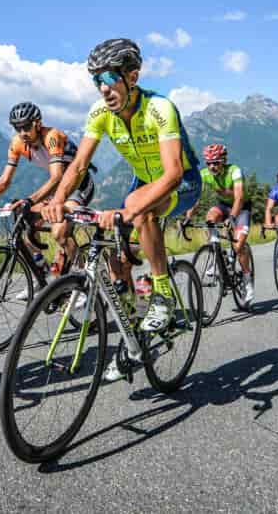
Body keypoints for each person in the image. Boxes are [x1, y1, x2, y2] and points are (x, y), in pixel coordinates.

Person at [42, 38, 201, 381]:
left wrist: (131, 211)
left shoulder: (159, 108)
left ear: (132, 76)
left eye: (109, 78)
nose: (103, 88)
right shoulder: (100, 114)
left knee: (136, 210)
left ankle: (162, 295)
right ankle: (132, 333)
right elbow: (79, 164)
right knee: (112, 246)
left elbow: (173, 172)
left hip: (182, 182)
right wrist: (57, 199)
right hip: (143, 181)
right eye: (96, 80)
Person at [0, 101, 96, 296]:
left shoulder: (52, 137)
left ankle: (85, 284)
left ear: (37, 123)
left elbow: (57, 177)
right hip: (57, 189)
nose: (22, 132)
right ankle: (41, 275)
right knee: (22, 219)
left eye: (26, 126)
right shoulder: (17, 143)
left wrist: (30, 200)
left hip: (79, 186)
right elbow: (4, 180)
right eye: (17, 128)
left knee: (60, 232)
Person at [183, 143, 255, 303]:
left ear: (224, 160)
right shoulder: (204, 175)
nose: (212, 166)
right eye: (208, 163)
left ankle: (247, 279)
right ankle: (216, 253)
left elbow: (239, 198)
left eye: (216, 162)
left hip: (241, 208)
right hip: (222, 206)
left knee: (238, 246)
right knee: (210, 217)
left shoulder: (234, 171)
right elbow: (196, 200)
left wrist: (232, 218)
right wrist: (188, 218)